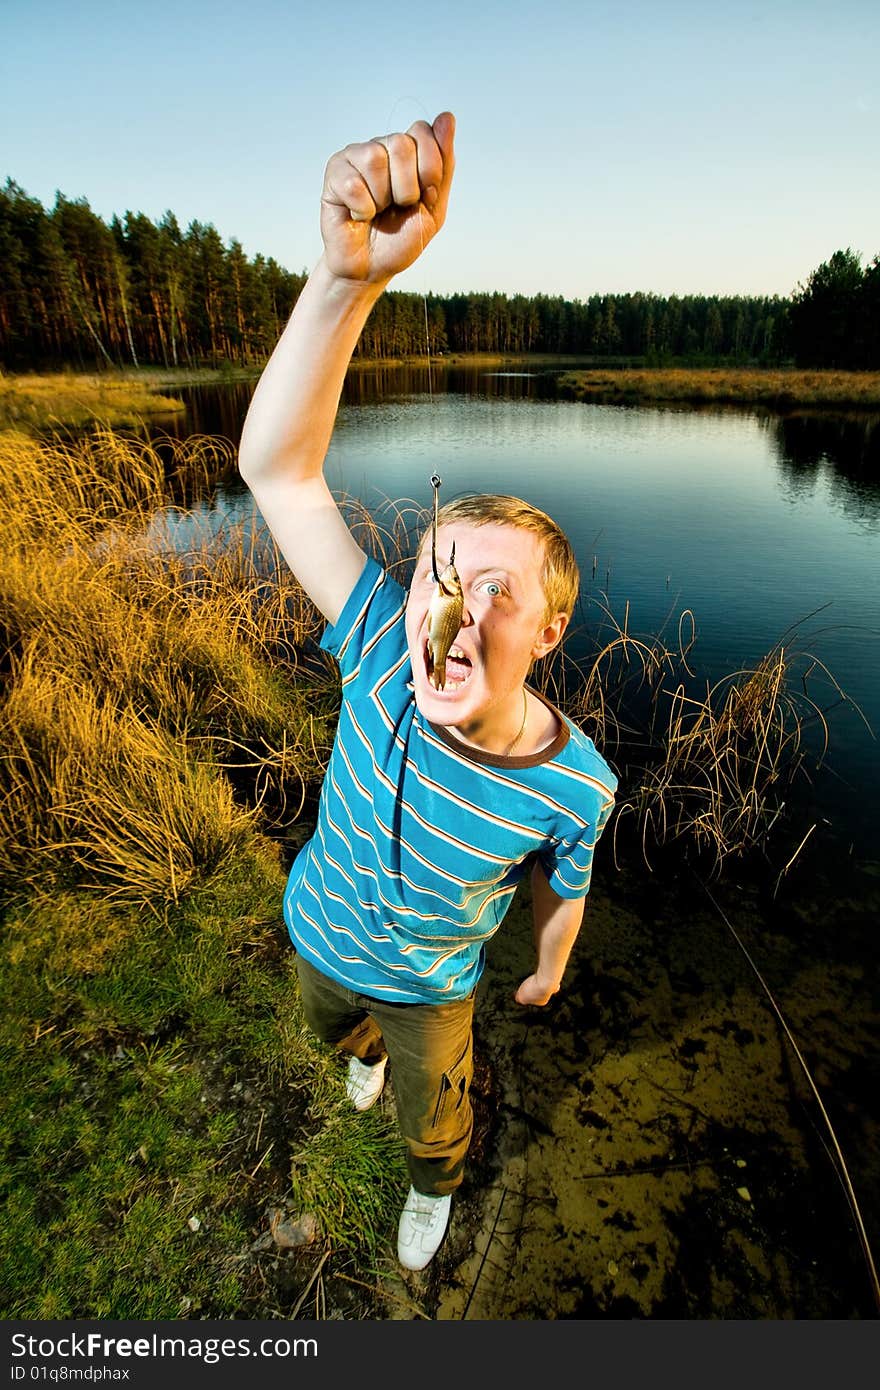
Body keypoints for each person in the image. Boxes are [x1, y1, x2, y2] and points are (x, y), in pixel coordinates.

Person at [238, 111, 617, 1272]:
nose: (461, 605)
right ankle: (353, 1049)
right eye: (443, 573)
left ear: (548, 631)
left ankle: (433, 1181)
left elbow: (563, 886)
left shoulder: (576, 783)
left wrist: (550, 960)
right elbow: (279, 470)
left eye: (500, 592)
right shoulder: (372, 647)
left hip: (437, 989)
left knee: (429, 1107)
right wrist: (343, 281)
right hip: (317, 932)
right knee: (324, 1024)